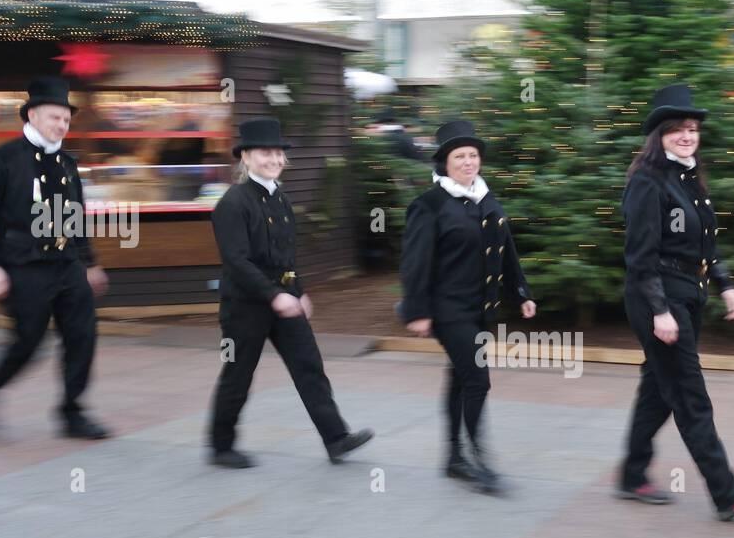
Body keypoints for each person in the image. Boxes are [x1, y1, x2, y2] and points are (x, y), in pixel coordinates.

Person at [615, 83, 734, 523]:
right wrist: (660, 311)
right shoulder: (647, 182)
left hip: (689, 294)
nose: (686, 136)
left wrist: (726, 285)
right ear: (659, 134)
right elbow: (640, 258)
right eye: (676, 129)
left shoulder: (689, 178)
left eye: (692, 128)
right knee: (689, 396)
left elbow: (704, 245)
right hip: (658, 299)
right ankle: (728, 494)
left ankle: (631, 473)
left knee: (657, 391)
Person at [206, 117, 373, 468]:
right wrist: (274, 296)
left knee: (309, 366)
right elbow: (237, 262)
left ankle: (336, 438)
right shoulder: (232, 203)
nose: (275, 160)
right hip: (245, 307)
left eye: (279, 154)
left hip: (285, 301)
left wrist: (299, 290)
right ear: (247, 157)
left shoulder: (280, 199)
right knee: (238, 373)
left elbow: (286, 256)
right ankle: (221, 446)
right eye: (267, 153)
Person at [0, 77, 111, 439]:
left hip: (66, 264)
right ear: (31, 115)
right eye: (54, 117)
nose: (61, 125)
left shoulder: (68, 164)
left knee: (82, 335)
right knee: (28, 341)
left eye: (65, 119)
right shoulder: (1, 159)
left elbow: (74, 216)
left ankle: (72, 412)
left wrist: (88, 262)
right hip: (21, 265)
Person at [399, 119, 536, 494]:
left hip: (481, 308)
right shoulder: (429, 205)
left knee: (460, 379)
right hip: (448, 309)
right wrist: (417, 310)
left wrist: (520, 293)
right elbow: (415, 261)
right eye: (460, 155)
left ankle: (453, 457)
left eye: (473, 155)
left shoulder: (487, 198)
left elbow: (506, 250)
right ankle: (479, 458)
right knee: (477, 378)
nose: (468, 161)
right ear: (444, 162)